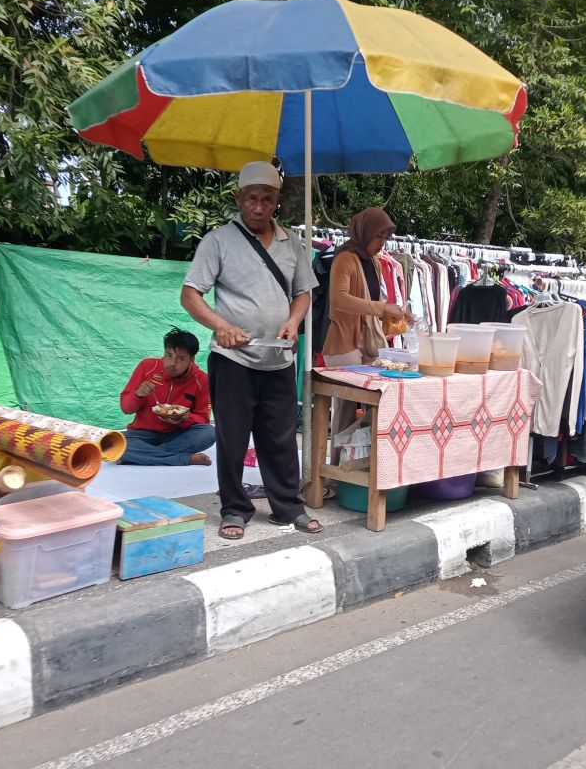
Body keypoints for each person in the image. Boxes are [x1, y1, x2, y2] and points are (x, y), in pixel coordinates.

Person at [181, 161, 322, 540]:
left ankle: (287, 506)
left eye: (267, 200)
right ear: (238, 198)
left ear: (277, 202)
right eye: (252, 199)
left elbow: (304, 292)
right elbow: (190, 294)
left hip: (279, 357)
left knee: (279, 436)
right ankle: (235, 508)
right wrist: (221, 326)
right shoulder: (218, 241)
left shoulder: (292, 242)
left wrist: (294, 322)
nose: (259, 207)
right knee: (233, 436)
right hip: (233, 360)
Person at [323, 207, 411, 455]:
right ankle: (337, 470)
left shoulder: (374, 262)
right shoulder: (345, 258)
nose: (382, 243)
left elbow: (372, 302)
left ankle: (361, 464)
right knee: (345, 408)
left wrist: (398, 313)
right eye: (378, 236)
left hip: (368, 343)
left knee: (376, 404)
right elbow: (339, 300)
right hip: (344, 344)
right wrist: (382, 307)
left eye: (385, 237)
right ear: (365, 232)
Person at [118, 328, 215, 466]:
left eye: (180, 359)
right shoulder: (147, 367)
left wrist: (184, 418)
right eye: (168, 355)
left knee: (209, 433)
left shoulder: (202, 380)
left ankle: (140, 456)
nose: (172, 363)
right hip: (143, 435)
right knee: (113, 442)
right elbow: (126, 408)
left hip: (179, 434)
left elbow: (203, 419)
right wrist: (138, 394)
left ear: (191, 360)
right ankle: (184, 458)